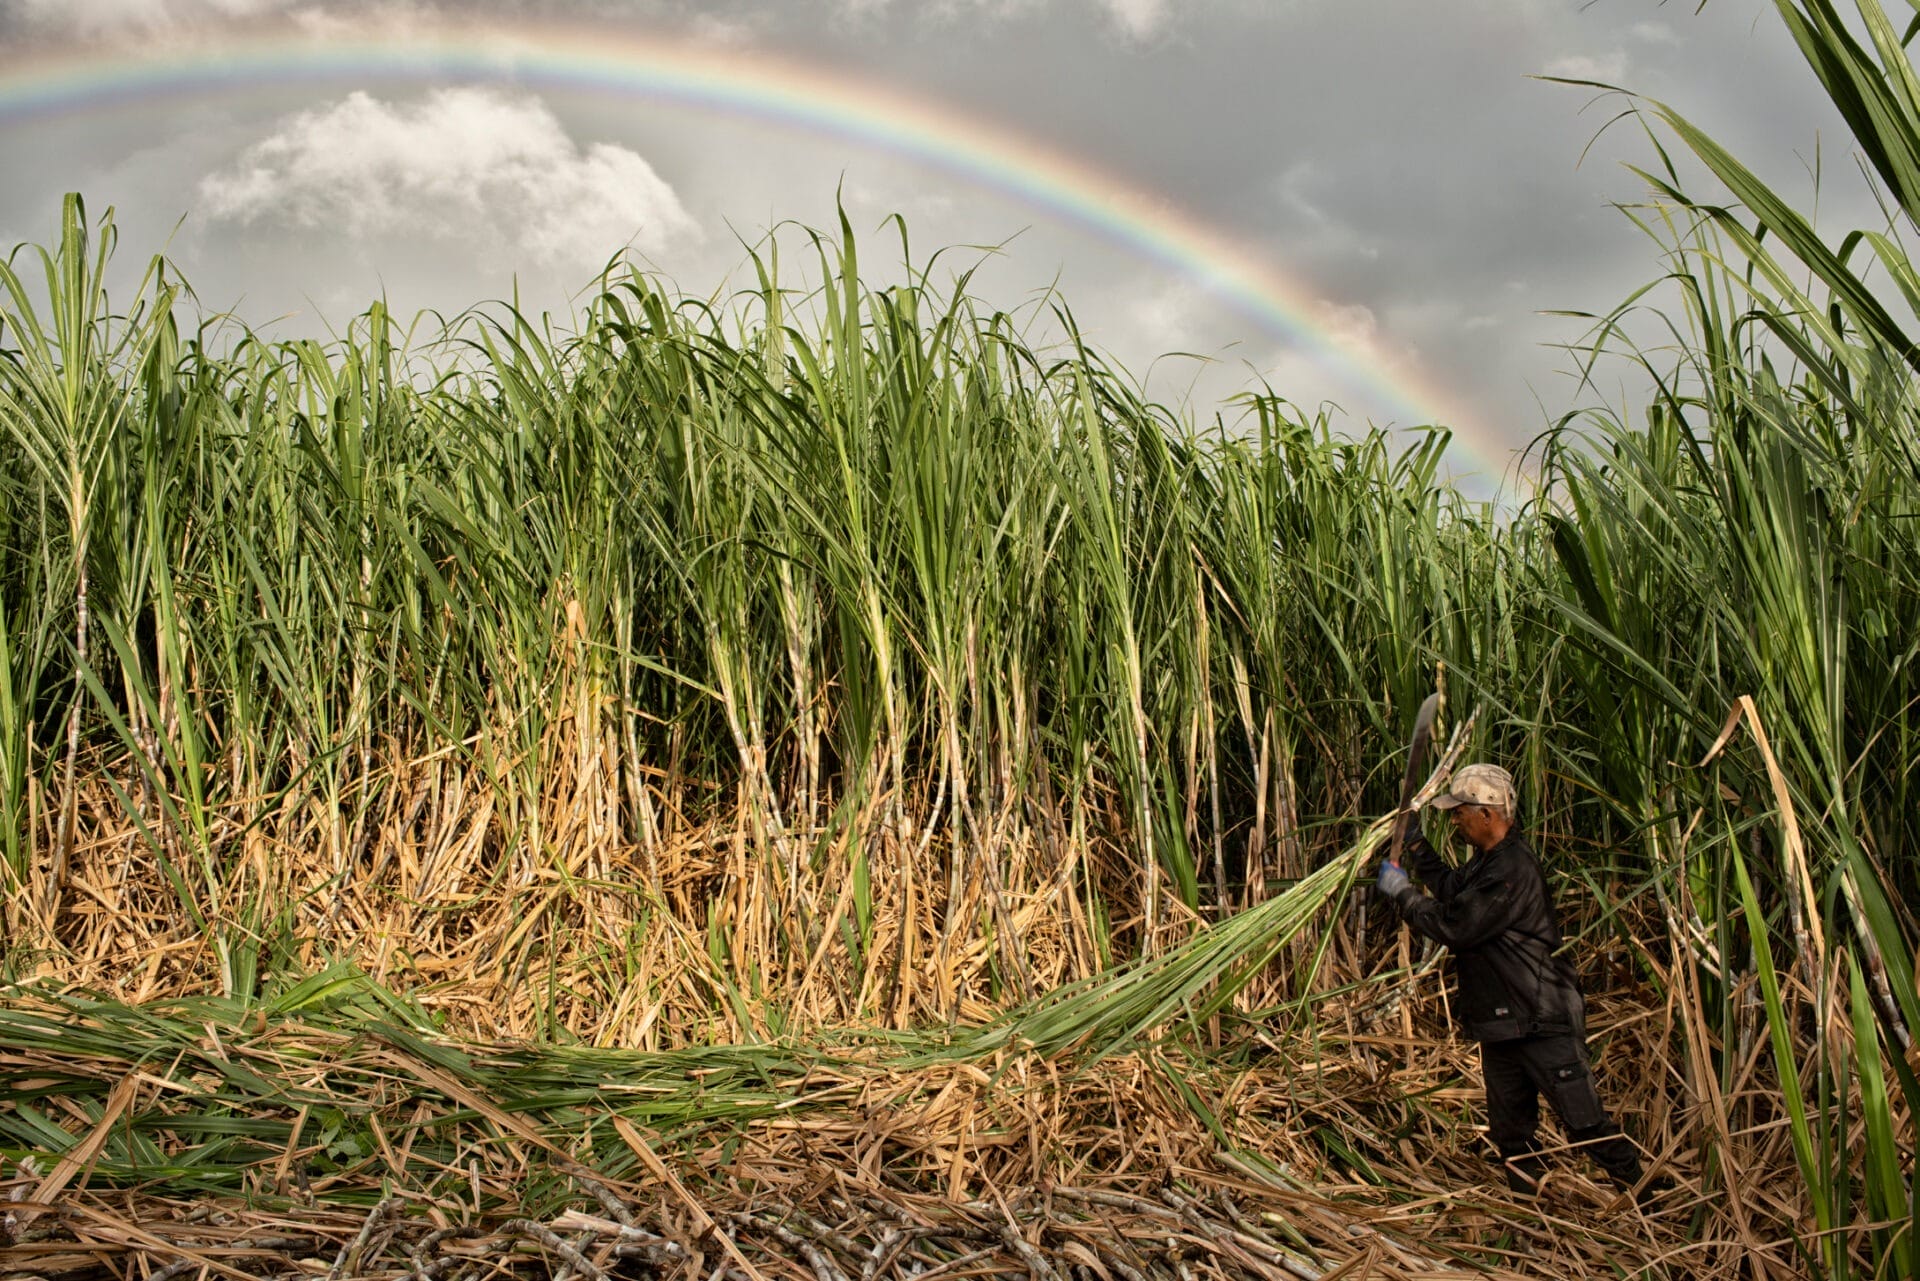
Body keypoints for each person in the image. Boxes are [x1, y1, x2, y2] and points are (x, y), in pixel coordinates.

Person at [1374, 763, 1647, 1197]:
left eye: (1460, 811)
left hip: (1541, 1018)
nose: (1455, 820)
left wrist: (1403, 894)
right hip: (1504, 1024)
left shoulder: (1511, 870)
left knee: (1585, 1124)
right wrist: (1417, 846)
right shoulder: (1487, 863)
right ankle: (1530, 1219)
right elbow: (1449, 887)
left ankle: (1649, 1202)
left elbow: (1456, 926)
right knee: (1511, 1134)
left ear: (1487, 813)